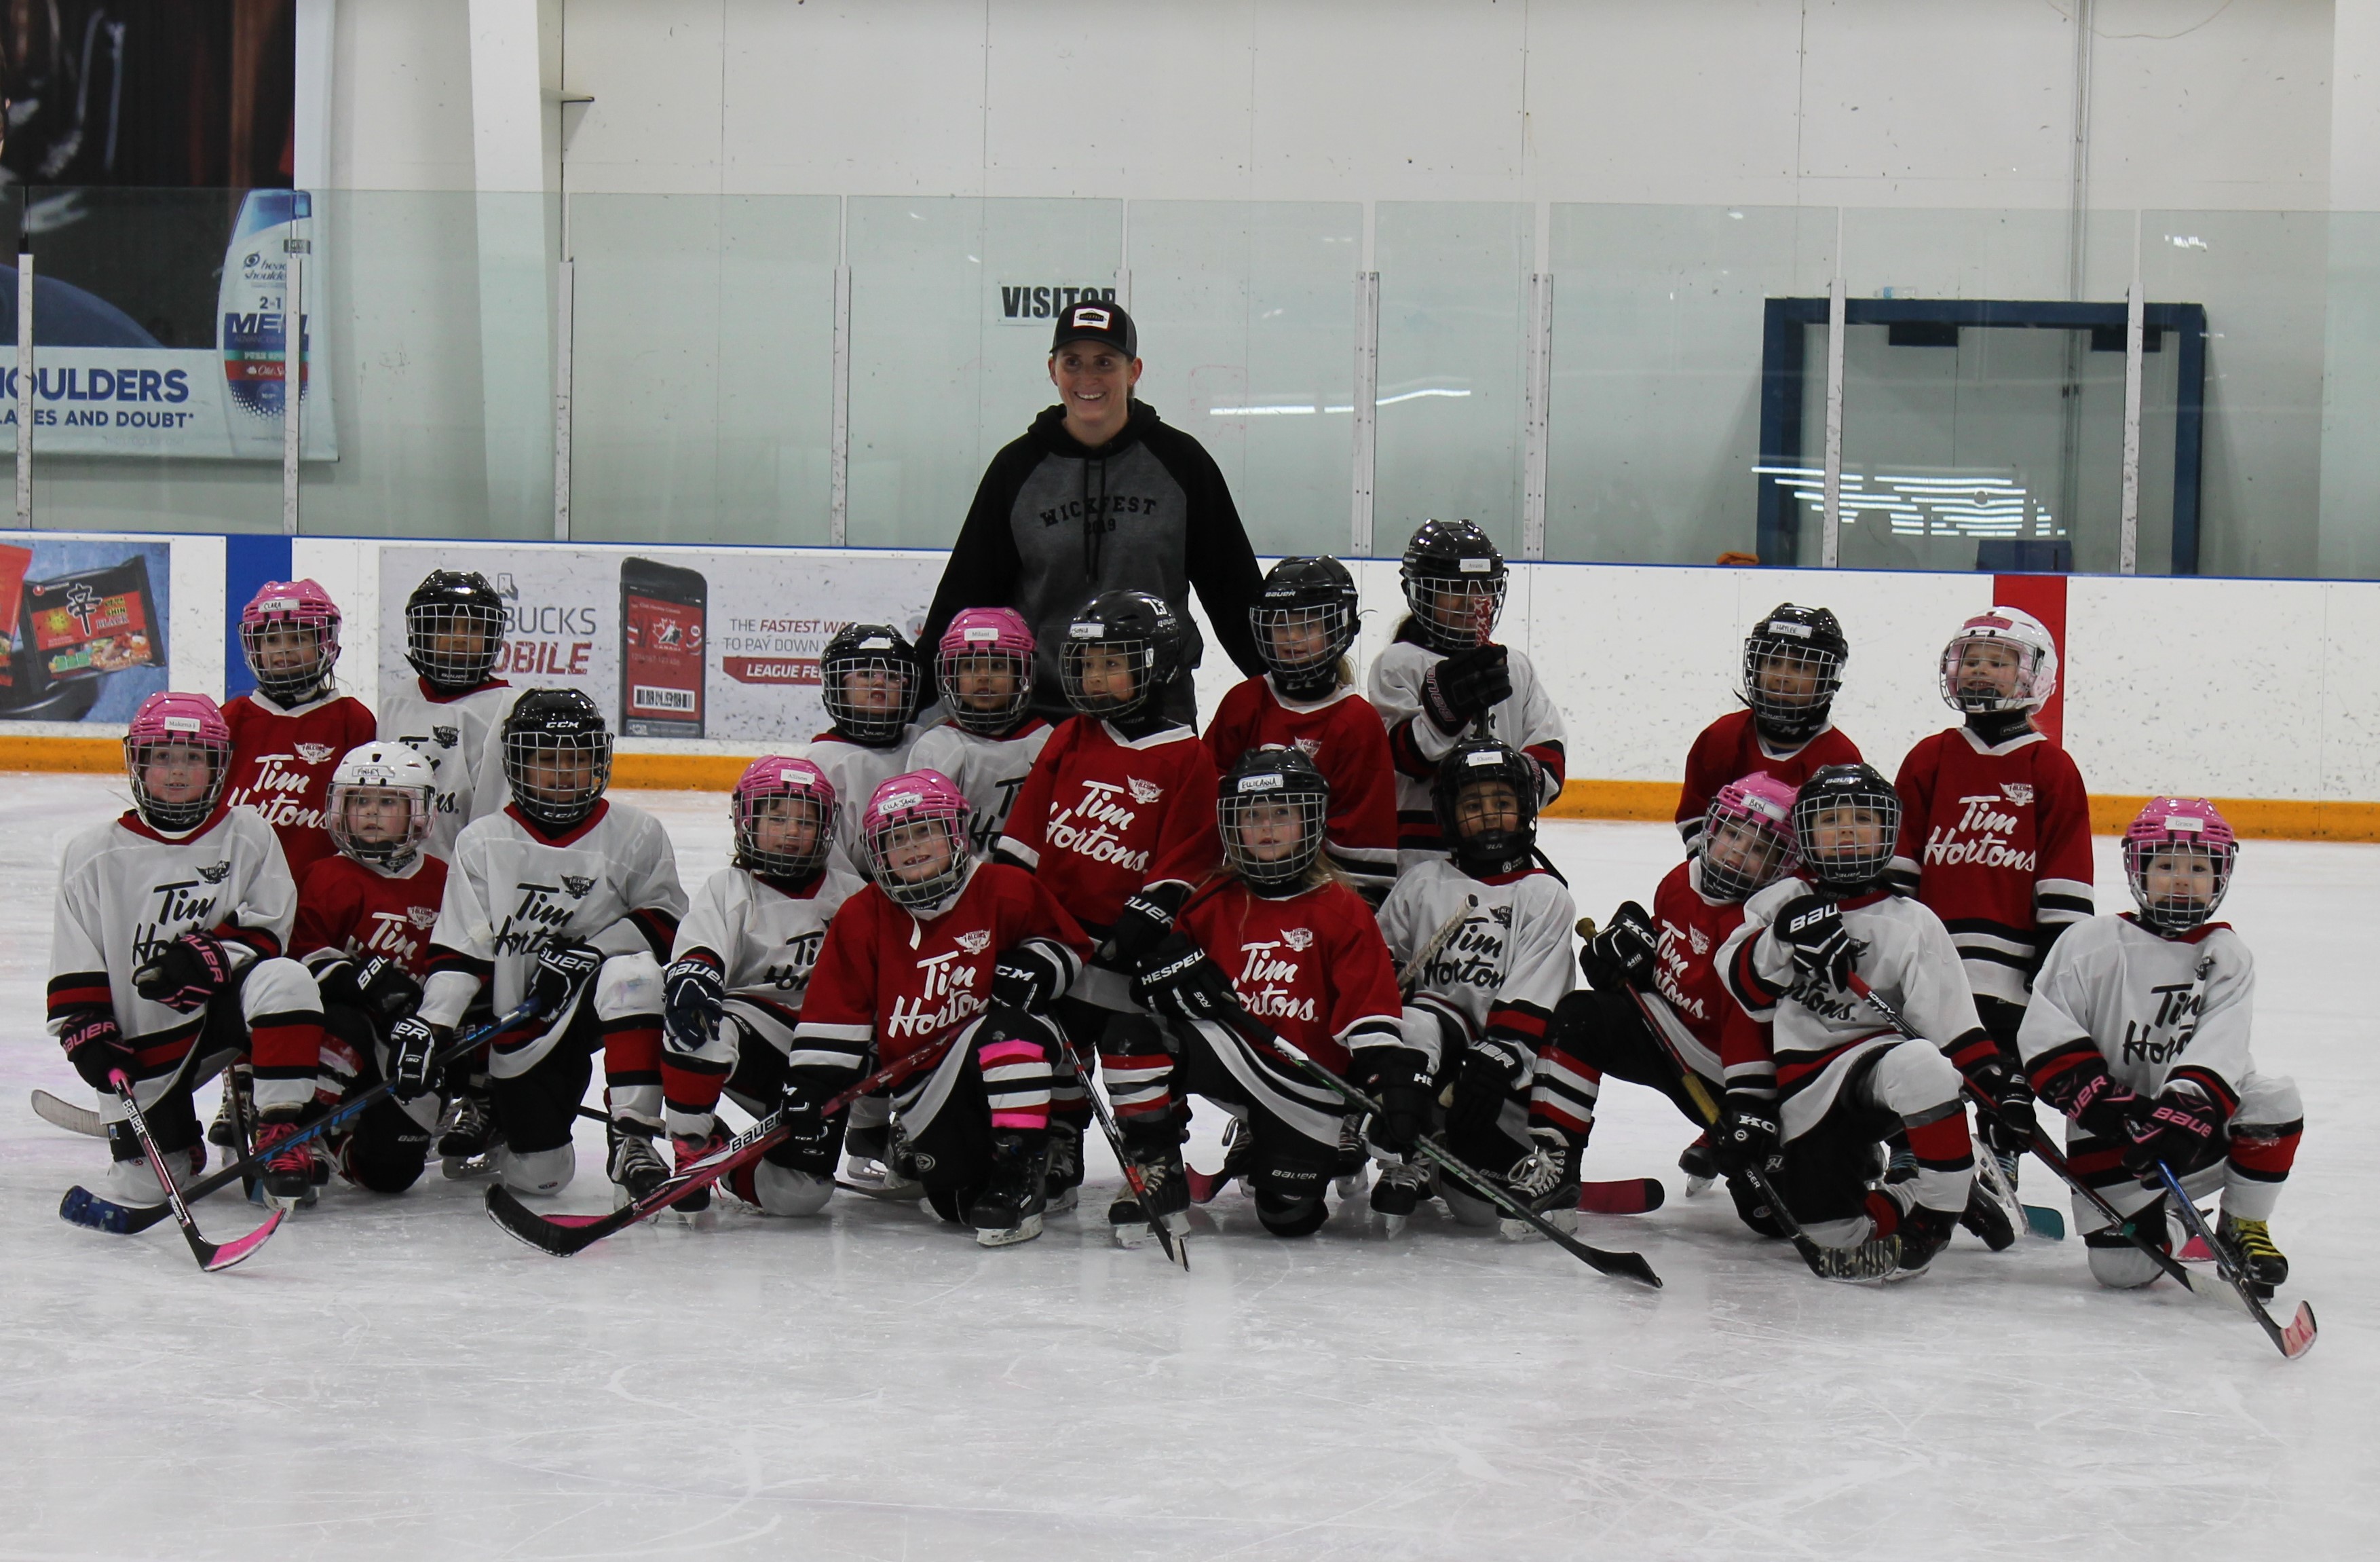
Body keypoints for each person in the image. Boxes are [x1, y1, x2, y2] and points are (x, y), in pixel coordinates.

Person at [1715, 764, 2011, 1279]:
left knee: (1923, 1064)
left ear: (1888, 832)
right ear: (1805, 832)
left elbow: (1952, 1028)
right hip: (1806, 1086)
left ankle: (1933, 1222)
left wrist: (1996, 1087)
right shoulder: (1778, 902)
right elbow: (1744, 990)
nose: (1847, 830)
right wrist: (1783, 935)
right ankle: (1932, 1192)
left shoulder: (1911, 920)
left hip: (1880, 1076)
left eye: (1862, 819)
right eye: (1830, 819)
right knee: (1830, 1232)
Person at [392, 688, 687, 1202]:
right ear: (516, 763)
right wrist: (432, 1021)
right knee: (541, 1176)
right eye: (547, 759)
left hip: (603, 1000)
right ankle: (507, 1120)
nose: (564, 772)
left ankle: (634, 1137)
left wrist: (591, 954)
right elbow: (461, 951)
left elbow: (665, 924)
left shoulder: (637, 833)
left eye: (577, 759)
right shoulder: (483, 841)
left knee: (634, 977)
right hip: (527, 1013)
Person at [920, 297, 1266, 727]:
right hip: (1039, 717)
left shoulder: (1181, 463)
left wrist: (1284, 687)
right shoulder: (1017, 469)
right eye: (1073, 362)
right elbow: (965, 594)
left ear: (1134, 370)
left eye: (1104, 362)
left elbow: (1233, 592)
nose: (1088, 378)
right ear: (1053, 370)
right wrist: (908, 703)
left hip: (1160, 712)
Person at [994, 588, 1221, 1227]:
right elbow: (1023, 841)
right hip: (1058, 940)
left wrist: (1152, 912)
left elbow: (1191, 854)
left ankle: (1155, 1155)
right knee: (1052, 1039)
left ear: (1158, 665)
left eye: (1112, 662)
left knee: (1133, 1042)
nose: (1094, 676)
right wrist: (1009, 921)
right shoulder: (1069, 736)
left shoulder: (1185, 754)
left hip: (1128, 945)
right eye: (1087, 662)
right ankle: (1060, 1143)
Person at [785, 771, 1091, 1247]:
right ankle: (973, 1163)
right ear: (876, 852)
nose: (913, 847)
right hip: (923, 1086)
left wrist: (1038, 965)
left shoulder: (1003, 887)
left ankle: (1022, 1172)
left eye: (925, 830)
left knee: (1007, 1033)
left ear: (956, 832)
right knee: (958, 1207)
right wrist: (810, 1082)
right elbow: (834, 1013)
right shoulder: (861, 915)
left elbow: (1066, 945)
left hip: (995, 1048)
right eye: (897, 838)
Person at [48, 692, 326, 1209]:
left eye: (193, 758)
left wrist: (209, 957)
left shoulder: (248, 833)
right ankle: (180, 1139)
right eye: (163, 757)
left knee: (288, 978)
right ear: (139, 763)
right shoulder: (93, 853)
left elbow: (270, 927)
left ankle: (281, 1134)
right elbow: (74, 963)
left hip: (224, 1020)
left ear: (218, 765)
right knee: (144, 1187)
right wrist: (88, 1035)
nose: (177, 772)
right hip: (143, 1045)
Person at [2021, 800, 2301, 1297]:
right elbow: (2045, 1032)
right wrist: (2110, 1108)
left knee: (2273, 1099)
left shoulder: (2224, 954)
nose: (2180, 879)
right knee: (2120, 1269)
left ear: (2219, 876)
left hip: (2191, 1133)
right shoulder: (2088, 942)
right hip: (2111, 1137)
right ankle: (2178, 1222)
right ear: (2138, 869)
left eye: (2197, 867)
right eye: (2166, 864)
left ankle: (2240, 1226)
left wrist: (2180, 1113)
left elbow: (2223, 1045)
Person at [1127, 747, 1410, 1241]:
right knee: (1134, 1037)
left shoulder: (1342, 908)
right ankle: (1158, 1170)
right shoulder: (1211, 900)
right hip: (1234, 1062)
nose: (1266, 827)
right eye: (1252, 815)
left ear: (1310, 821)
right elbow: (1159, 994)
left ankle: (1290, 1140)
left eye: (1282, 813)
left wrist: (1386, 1085)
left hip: (1302, 1082)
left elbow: (1370, 1013)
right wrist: (1162, 978)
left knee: (1288, 1219)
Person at [1534, 772, 1800, 1235]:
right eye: (1733, 835)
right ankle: (1555, 1164)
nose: (1738, 851)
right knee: (1581, 1017)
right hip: (1670, 1037)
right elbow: (1669, 953)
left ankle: (1847, 1155)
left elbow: (1753, 1026)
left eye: (1758, 849)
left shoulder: (1767, 924)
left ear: (1781, 865)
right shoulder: (1681, 879)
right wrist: (1629, 952)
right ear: (1712, 829)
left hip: (1737, 1079)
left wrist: (1751, 1108)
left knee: (1770, 1218)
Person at [1887, 607, 2092, 1193]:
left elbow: (2065, 864)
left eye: (1999, 662)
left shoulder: (2048, 766)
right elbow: (1902, 856)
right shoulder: (1930, 756)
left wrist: (2057, 948)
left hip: (2013, 960)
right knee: (1920, 1050)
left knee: (2005, 1063)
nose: (1981, 672)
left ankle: (2000, 1158)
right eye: (1971, 660)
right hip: (1935, 952)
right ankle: (1912, 1149)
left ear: (2033, 675)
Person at [1376, 740, 1576, 1236]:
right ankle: (1410, 1148)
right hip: (1430, 1045)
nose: (1489, 817)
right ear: (1448, 815)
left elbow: (1539, 990)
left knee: (1476, 1213)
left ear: (1525, 810)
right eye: (1472, 806)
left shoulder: (1544, 893)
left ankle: (1443, 1153)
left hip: (1499, 1069)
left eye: (1502, 804)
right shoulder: (1423, 882)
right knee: (1413, 1020)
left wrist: (1496, 1058)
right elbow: (1373, 967)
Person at [657, 756, 867, 1216]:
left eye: (805, 820)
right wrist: (696, 977)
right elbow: (698, 960)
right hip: (751, 1044)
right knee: (694, 1013)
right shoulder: (728, 889)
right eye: (776, 817)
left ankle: (724, 1159)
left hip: (825, 1060)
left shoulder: (853, 896)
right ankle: (692, 1145)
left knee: (800, 1194)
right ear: (746, 820)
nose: (791, 831)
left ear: (825, 828)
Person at [288, 741, 447, 1193]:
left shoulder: (444, 878)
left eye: (387, 802)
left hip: (408, 1042)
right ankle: (305, 1131)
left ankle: (346, 1146)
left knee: (390, 1175)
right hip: (344, 1033)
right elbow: (303, 957)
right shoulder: (323, 875)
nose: (371, 813)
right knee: (342, 1023)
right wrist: (365, 979)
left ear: (419, 812)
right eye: (360, 801)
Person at [1369, 519, 1566, 870]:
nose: (1471, 600)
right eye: (1453, 587)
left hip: (1504, 856)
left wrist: (1504, 784)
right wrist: (1444, 712)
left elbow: (1550, 754)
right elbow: (1399, 759)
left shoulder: (1516, 666)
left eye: (1483, 587)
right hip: (1419, 859)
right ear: (1423, 594)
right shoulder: (1398, 663)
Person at [1203, 555, 1399, 904]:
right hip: (1240, 891)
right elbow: (1204, 798)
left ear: (1339, 629)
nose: (1291, 639)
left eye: (1307, 626)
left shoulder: (1357, 722)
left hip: (1316, 900)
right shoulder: (1243, 702)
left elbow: (1363, 849)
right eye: (1280, 626)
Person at [221, 579, 378, 885]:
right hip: (240, 890)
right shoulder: (231, 719)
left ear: (325, 643)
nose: (284, 651)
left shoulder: (352, 720)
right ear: (255, 646)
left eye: (298, 638)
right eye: (272, 641)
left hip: (323, 894)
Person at [1676, 604, 1862, 854]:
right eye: (1773, 662)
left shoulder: (1840, 758)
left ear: (1827, 677)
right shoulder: (1721, 738)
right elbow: (1695, 818)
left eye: (1800, 667)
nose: (1782, 676)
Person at [377, 570, 521, 863]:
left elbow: (496, 814)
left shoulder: (509, 709)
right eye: (444, 626)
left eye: (473, 628)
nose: (458, 639)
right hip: (396, 880)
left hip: (466, 878)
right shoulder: (396, 700)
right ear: (421, 633)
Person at [909, 608, 1054, 861]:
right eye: (970, 666)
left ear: (1022, 675)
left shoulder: (1048, 740)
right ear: (951, 677)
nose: (984, 677)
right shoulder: (936, 745)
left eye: (997, 665)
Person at [806, 622, 928, 876]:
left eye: (893, 676)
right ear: (838, 685)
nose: (879, 683)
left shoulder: (926, 744)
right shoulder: (822, 761)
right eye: (865, 674)